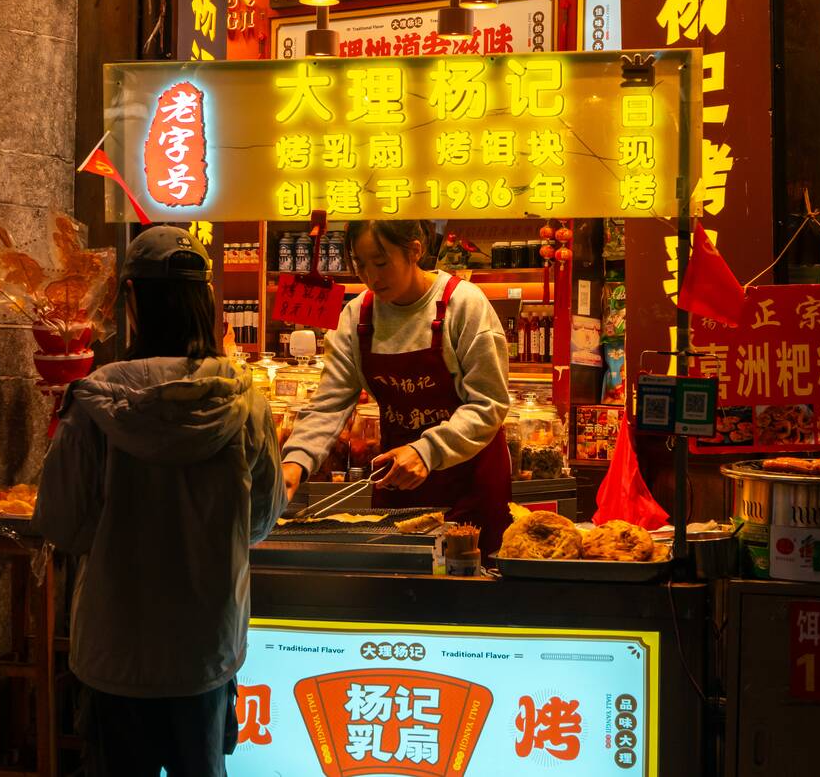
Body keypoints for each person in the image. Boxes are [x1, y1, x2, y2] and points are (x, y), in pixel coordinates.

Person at [32, 226, 284, 777]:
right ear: (208, 304)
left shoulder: (94, 405)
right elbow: (260, 521)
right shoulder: (247, 404)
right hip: (205, 650)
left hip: (114, 652)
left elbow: (60, 523)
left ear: (131, 301)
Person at [281, 220, 513, 553]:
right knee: (396, 585)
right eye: (360, 264)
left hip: (471, 480)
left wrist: (427, 450)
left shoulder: (463, 305)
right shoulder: (356, 316)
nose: (371, 277)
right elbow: (330, 404)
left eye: (380, 262)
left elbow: (489, 403)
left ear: (414, 250)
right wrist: (296, 463)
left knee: (470, 590)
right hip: (396, 478)